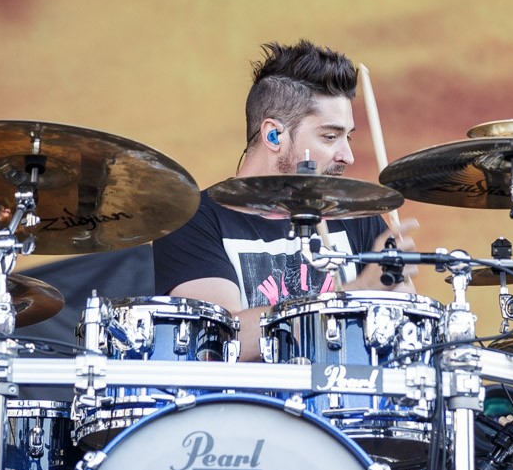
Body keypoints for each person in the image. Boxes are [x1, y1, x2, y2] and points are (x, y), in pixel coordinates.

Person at [152, 40, 418, 361]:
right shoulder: (195, 218)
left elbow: (403, 334)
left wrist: (400, 298)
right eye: (330, 136)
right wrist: (358, 293)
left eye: (348, 136)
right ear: (273, 135)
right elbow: (218, 339)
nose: (346, 155)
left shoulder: (355, 214)